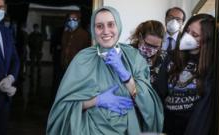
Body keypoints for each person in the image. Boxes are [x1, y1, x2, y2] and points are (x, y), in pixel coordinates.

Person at [47, 6, 163, 135]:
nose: (106, 31)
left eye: (111, 24)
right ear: (93, 29)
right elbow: (63, 108)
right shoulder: (82, 59)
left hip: (127, 130)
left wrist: (125, 74)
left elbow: (148, 105)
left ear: (118, 25)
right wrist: (96, 100)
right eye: (99, 26)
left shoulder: (134, 57)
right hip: (88, 130)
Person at [159, 14, 215, 135]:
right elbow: (160, 92)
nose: (187, 36)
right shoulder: (171, 58)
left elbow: (205, 109)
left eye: (194, 35)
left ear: (205, 40)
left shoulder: (211, 66)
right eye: (187, 30)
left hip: (192, 127)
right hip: (167, 124)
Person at [0, 0, 20, 134]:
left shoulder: (6, 31)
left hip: (5, 95)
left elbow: (15, 59)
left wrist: (10, 78)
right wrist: (0, 80)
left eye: (1, 7)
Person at [129, 20, 166, 97]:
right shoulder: (127, 53)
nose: (150, 49)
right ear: (140, 37)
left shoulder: (163, 58)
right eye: (148, 44)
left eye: (155, 47)